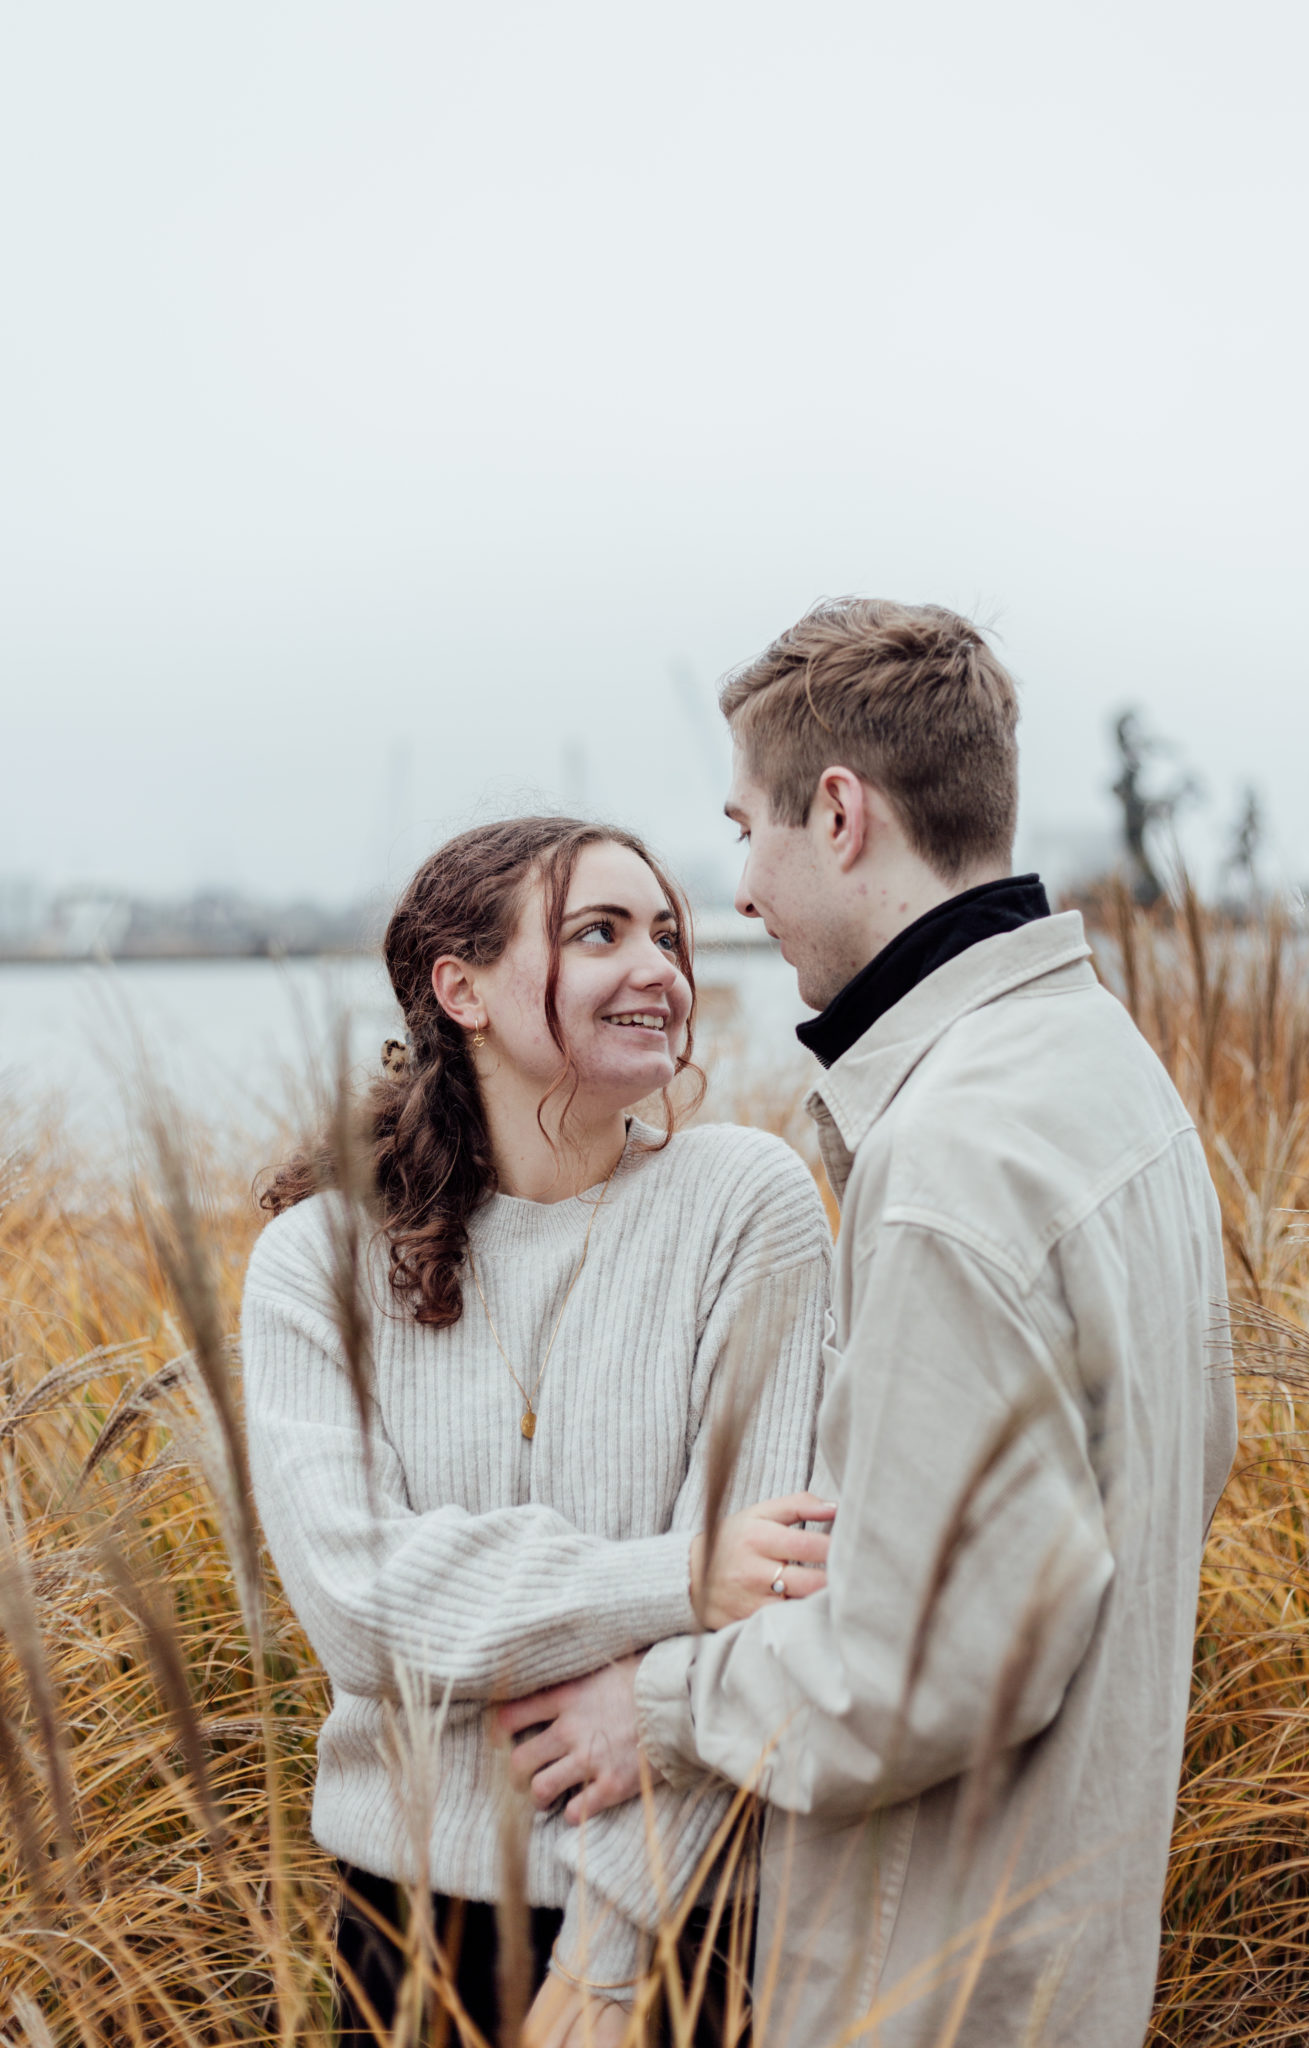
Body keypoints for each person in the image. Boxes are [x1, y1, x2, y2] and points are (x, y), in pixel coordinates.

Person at [499, 603, 1239, 2048]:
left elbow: (921, 1662)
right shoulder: (1106, 1073)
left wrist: (652, 1706)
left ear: (837, 814)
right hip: (1063, 1953)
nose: (745, 891)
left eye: (747, 830)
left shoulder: (953, 1159)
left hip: (943, 1978)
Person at [240, 816, 833, 2046]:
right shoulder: (318, 1263)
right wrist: (671, 1574)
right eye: (597, 932)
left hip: (681, 1926)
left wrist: (614, 1954)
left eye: (666, 932)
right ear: (459, 987)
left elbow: (771, 1599)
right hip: (401, 1933)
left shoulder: (745, 1201)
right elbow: (359, 1610)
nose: (659, 967)